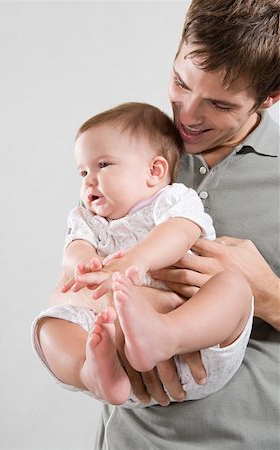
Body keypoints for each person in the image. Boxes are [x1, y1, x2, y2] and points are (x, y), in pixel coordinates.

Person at [35, 0, 279, 448]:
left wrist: (273, 298)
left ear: (269, 97)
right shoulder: (132, 155)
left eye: (219, 104)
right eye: (180, 82)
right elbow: (80, 265)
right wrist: (81, 279)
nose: (187, 114)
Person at [32, 102, 252, 408]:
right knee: (49, 326)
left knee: (234, 287)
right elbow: (74, 248)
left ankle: (166, 333)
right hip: (123, 369)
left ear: (154, 171)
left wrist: (133, 261)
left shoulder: (172, 199)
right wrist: (83, 262)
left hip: (197, 349)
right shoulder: (87, 219)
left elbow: (179, 233)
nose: (88, 180)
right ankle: (91, 372)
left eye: (103, 165)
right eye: (83, 171)